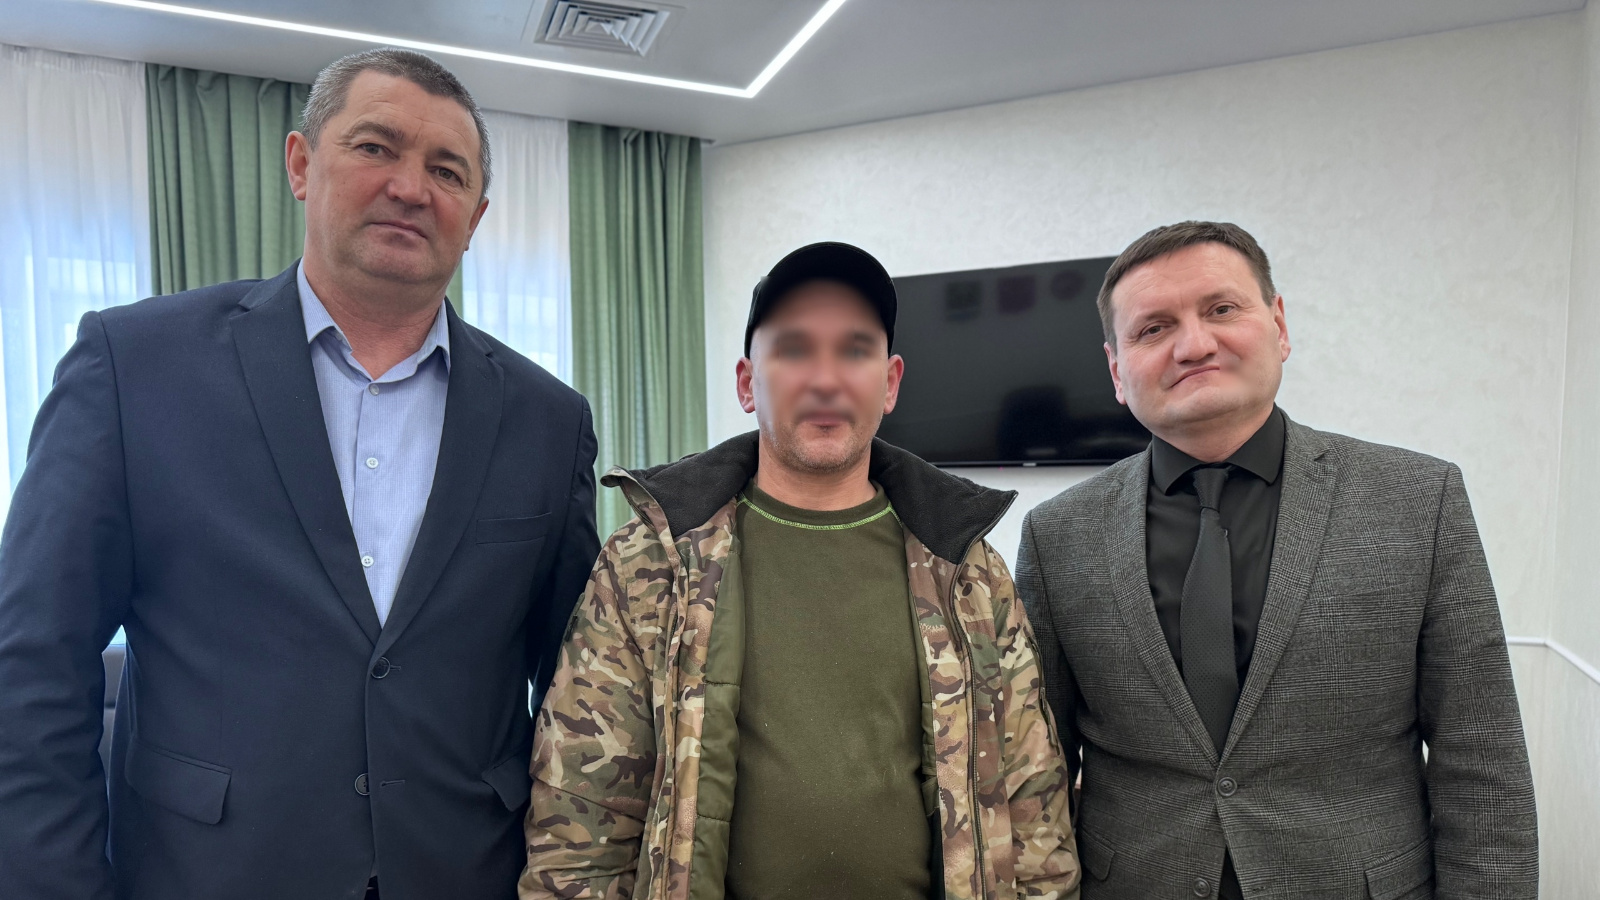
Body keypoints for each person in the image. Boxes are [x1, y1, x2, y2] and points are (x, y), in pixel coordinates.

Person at [0, 48, 598, 900]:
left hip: (466, 873)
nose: (410, 187)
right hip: (207, 876)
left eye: (447, 171)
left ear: (475, 217)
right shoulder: (133, 366)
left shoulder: (549, 420)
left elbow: (578, 692)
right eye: (375, 147)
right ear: (300, 165)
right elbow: (32, 666)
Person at [519, 242, 1081, 900]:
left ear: (890, 382)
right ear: (746, 382)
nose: (825, 379)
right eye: (793, 349)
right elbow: (583, 819)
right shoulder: (651, 564)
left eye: (854, 350)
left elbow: (1032, 810)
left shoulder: (968, 573)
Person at [1016, 221, 1538, 899]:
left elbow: (1482, 759)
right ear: (1118, 371)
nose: (1193, 345)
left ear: (1279, 326)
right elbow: (1040, 768)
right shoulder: (1058, 534)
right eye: (1153, 328)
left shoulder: (1418, 500)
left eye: (1221, 309)